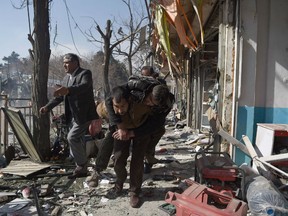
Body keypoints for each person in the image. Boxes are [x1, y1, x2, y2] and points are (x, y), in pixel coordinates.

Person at [105, 76, 174, 208]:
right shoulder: (138, 85)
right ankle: (119, 181)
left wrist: (134, 133)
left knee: (137, 160)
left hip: (143, 129)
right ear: (149, 92)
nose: (148, 103)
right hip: (123, 125)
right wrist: (120, 126)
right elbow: (110, 98)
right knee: (118, 158)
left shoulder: (166, 105)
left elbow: (155, 124)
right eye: (148, 100)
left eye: (152, 104)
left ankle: (134, 191)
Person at [39, 53, 102, 179]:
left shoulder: (85, 74)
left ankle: (82, 165)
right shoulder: (65, 79)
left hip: (84, 114)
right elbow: (59, 97)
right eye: (63, 62)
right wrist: (47, 107)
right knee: (77, 139)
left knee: (72, 137)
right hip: (71, 115)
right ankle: (81, 168)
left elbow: (84, 87)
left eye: (67, 62)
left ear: (75, 63)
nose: (64, 65)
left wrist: (68, 90)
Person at [140, 66, 173, 173]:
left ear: (153, 75)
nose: (146, 78)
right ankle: (144, 161)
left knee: (152, 137)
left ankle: (148, 163)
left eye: (148, 76)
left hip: (156, 116)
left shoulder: (159, 85)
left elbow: (165, 101)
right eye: (143, 76)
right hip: (143, 116)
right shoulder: (140, 85)